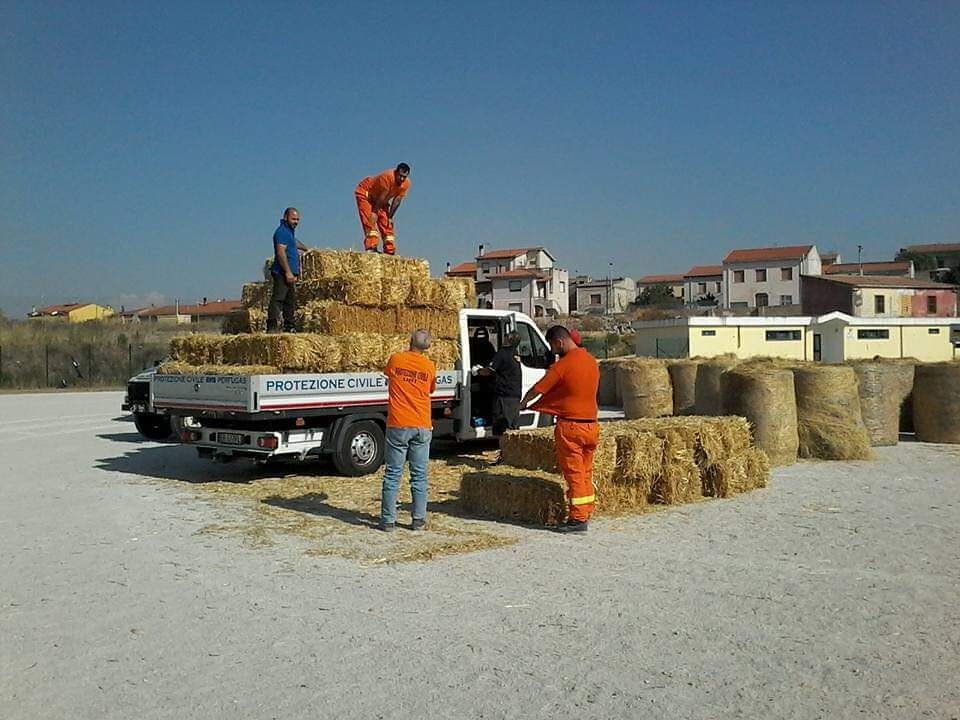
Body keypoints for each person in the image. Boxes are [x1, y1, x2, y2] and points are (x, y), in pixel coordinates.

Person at [520, 325, 600, 533]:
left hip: (571, 426)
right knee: (586, 472)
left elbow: (538, 388)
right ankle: (586, 510)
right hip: (591, 425)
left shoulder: (563, 365)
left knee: (574, 473)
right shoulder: (591, 361)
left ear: (559, 342)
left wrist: (523, 403)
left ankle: (578, 519)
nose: (553, 351)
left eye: (553, 347)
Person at [380, 329, 437, 531]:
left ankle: (388, 521)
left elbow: (387, 374)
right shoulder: (429, 366)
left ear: (410, 340)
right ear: (427, 346)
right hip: (421, 423)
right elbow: (431, 389)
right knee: (419, 475)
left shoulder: (396, 359)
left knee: (393, 474)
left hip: (398, 423)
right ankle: (418, 519)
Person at [355, 163, 411, 255]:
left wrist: (390, 217)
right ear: (396, 173)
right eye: (400, 176)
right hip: (367, 195)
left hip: (382, 201)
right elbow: (382, 195)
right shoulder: (387, 177)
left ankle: (390, 251)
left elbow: (397, 200)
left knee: (387, 224)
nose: (401, 179)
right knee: (370, 221)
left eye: (404, 177)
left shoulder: (406, 184)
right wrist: (374, 212)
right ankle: (372, 247)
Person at [474, 331, 522, 436]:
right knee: (513, 427)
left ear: (508, 340)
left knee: (501, 426)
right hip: (514, 396)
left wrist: (477, 371)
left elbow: (489, 371)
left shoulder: (502, 353)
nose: (504, 337)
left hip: (504, 396)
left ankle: (503, 445)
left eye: (506, 336)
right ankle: (512, 445)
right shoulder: (515, 353)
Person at [267, 207, 308, 333]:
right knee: (278, 299)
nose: (296, 222)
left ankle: (289, 326)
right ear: (286, 217)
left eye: (298, 220)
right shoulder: (281, 232)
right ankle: (272, 327)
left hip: (289, 273)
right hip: (282, 272)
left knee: (290, 301)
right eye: (293, 219)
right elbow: (280, 252)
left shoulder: (288, 232)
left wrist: (306, 248)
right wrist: (288, 272)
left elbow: (294, 242)